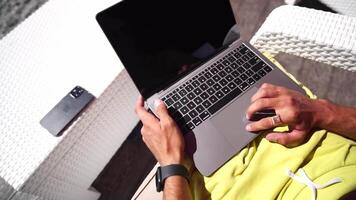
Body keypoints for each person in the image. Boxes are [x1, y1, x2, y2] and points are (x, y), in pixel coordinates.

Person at [135, 83, 356, 199]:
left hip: (197, 172)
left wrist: (171, 164)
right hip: (312, 134)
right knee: (229, 45)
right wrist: (321, 110)